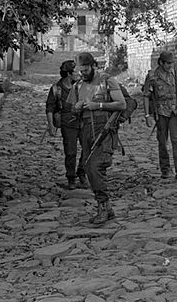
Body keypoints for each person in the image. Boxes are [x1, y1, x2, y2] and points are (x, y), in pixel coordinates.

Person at [67, 52, 126, 224]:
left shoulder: (107, 81)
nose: (83, 73)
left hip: (105, 130)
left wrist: (98, 105)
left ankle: (103, 206)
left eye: (86, 70)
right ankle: (106, 208)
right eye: (80, 71)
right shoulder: (77, 86)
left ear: (93, 66)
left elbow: (121, 104)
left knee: (95, 166)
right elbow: (71, 109)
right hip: (86, 130)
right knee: (88, 166)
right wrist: (77, 108)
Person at [142, 51, 177, 180]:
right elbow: (146, 96)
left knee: (176, 139)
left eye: (172, 63)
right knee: (162, 142)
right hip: (161, 112)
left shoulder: (174, 74)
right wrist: (147, 115)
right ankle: (165, 169)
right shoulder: (152, 76)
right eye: (168, 63)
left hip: (174, 111)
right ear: (161, 63)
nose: (170, 66)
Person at [45, 60, 87, 190]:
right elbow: (50, 107)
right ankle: (71, 178)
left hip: (83, 121)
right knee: (70, 152)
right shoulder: (56, 88)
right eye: (75, 71)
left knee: (88, 148)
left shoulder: (82, 85)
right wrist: (51, 125)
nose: (79, 74)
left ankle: (82, 170)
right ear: (69, 74)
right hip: (67, 122)